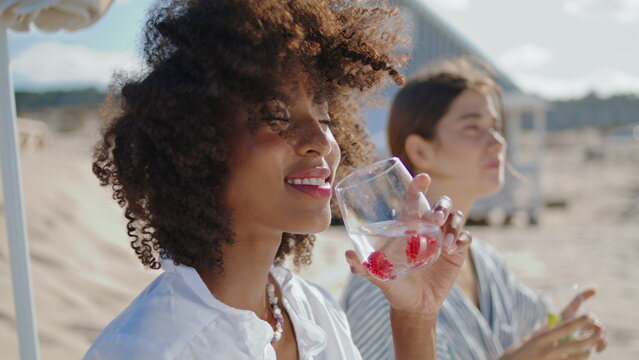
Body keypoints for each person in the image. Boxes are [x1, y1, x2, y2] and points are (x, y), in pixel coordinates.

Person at [83, 1, 472, 359]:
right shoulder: (151, 349)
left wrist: (415, 317)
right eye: (276, 116)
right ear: (197, 144)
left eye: (325, 118)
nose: (321, 142)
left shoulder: (313, 311)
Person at [341, 62, 608, 360]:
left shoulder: (485, 261)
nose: (497, 142)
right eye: (472, 127)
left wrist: (563, 335)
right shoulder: (388, 278)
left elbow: (534, 323)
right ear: (420, 151)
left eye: (495, 128)